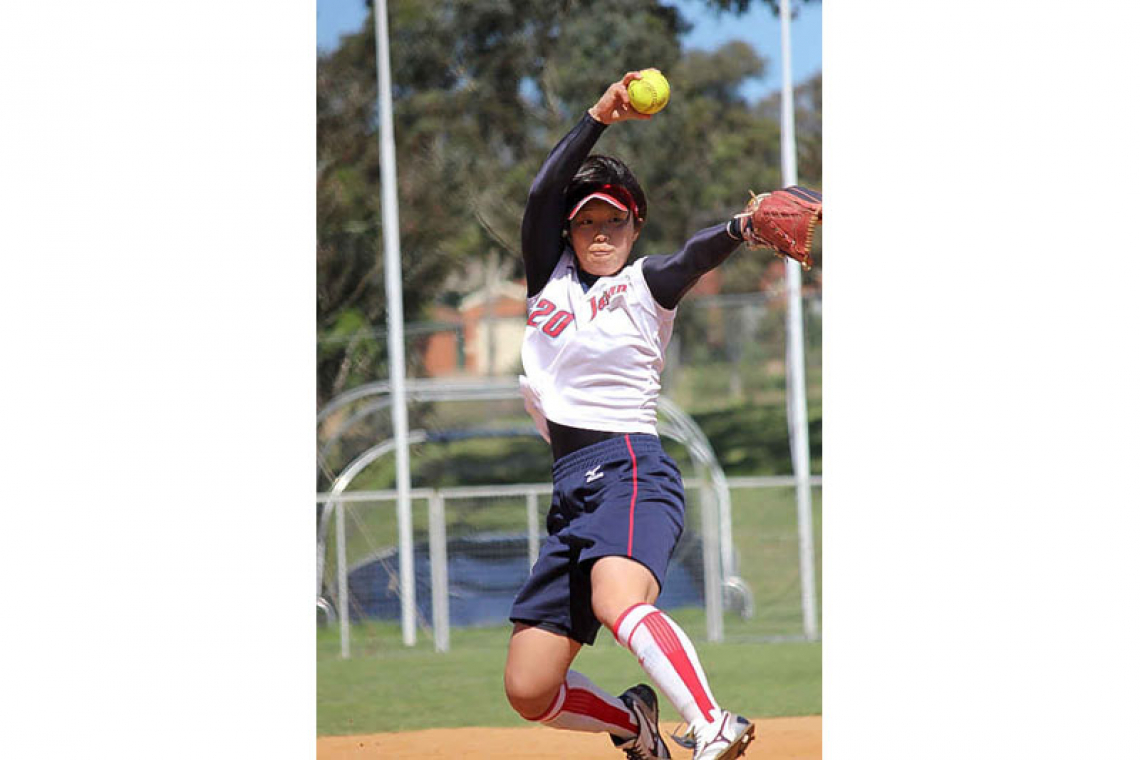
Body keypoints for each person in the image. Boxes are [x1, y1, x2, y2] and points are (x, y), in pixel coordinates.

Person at [503, 70, 819, 760]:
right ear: (567, 229)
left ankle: (712, 722)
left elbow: (692, 254)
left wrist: (741, 227)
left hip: (628, 468)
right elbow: (538, 194)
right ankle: (632, 724)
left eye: (613, 217)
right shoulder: (547, 278)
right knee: (529, 687)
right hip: (569, 491)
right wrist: (598, 115)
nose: (598, 229)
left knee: (620, 598)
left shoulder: (643, 287)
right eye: (585, 218)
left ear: (634, 222)